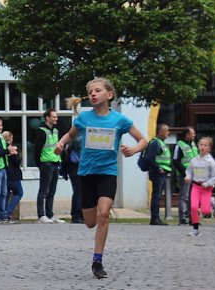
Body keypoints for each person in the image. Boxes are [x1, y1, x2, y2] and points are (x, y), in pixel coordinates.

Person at [55, 77, 147, 279]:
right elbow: (69, 135)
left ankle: (97, 261)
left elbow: (143, 140)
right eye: (90, 92)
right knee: (90, 222)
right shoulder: (84, 119)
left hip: (108, 172)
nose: (93, 95)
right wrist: (60, 144)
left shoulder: (120, 120)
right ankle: (98, 212)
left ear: (109, 95)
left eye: (97, 91)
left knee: (103, 214)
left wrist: (133, 149)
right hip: (87, 173)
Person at [184, 136, 215, 237]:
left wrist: (208, 183)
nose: (202, 147)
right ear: (198, 146)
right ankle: (195, 229)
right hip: (195, 186)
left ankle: (212, 202)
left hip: (206, 188)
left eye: (205, 145)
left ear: (209, 148)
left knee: (205, 211)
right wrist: (188, 177)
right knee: (194, 207)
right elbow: (189, 171)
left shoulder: (211, 162)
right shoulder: (194, 160)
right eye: (201, 145)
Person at [34, 109, 63, 223]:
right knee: (44, 190)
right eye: (54, 117)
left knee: (52, 191)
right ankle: (41, 215)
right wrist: (39, 164)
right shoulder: (41, 131)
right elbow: (37, 149)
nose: (56, 119)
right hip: (46, 163)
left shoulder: (55, 131)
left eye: (56, 117)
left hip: (55, 162)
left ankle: (50, 215)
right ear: (47, 118)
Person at [171, 127, 198, 225]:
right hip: (184, 176)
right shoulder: (179, 145)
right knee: (184, 197)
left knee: (193, 197)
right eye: (192, 133)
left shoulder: (194, 145)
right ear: (187, 135)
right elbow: (176, 161)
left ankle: (192, 219)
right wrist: (185, 173)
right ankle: (182, 219)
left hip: (195, 175)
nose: (194, 135)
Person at [147, 123, 171, 225]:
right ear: (160, 132)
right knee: (156, 195)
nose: (168, 133)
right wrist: (158, 168)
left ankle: (156, 218)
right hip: (157, 173)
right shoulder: (156, 143)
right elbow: (149, 158)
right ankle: (155, 218)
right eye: (167, 131)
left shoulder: (160, 142)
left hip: (161, 172)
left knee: (158, 195)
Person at [60, 136, 83, 223]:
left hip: (72, 169)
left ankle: (77, 215)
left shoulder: (73, 139)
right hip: (77, 168)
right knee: (79, 192)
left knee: (78, 192)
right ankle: (77, 215)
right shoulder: (80, 139)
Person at [3, 130, 23, 222]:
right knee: (19, 193)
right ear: (10, 138)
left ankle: (3, 213)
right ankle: (8, 211)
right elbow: (17, 162)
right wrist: (19, 156)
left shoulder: (2, 149)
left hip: (5, 174)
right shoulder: (12, 148)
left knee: (5, 195)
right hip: (13, 174)